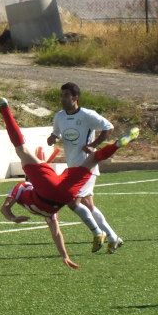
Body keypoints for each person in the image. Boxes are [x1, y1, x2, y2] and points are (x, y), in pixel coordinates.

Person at [0, 98, 138, 269]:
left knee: (91, 161)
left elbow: (56, 233)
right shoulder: (23, 188)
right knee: (22, 149)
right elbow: (6, 208)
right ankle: (4, 108)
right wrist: (64, 256)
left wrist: (13, 218)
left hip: (61, 196)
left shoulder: (45, 210)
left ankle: (99, 232)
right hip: (51, 186)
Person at [48, 82, 124, 253]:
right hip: (72, 166)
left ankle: (98, 233)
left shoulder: (87, 115)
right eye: (61, 95)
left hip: (88, 165)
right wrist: (52, 139)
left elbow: (109, 127)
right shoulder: (59, 116)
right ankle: (113, 238)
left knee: (72, 201)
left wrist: (93, 145)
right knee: (88, 205)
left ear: (75, 98)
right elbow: (56, 134)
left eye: (66, 95)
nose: (63, 99)